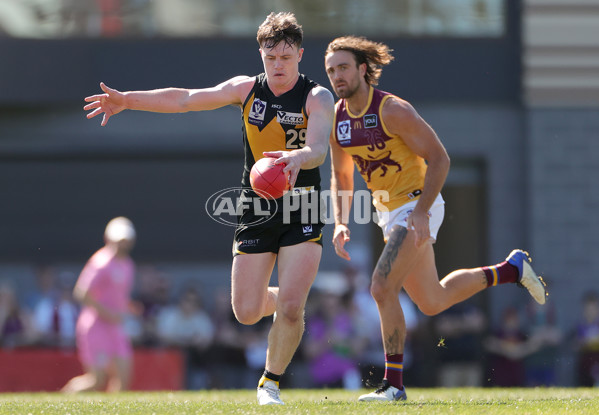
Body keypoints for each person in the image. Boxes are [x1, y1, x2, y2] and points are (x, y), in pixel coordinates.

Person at [83, 12, 334, 405]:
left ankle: (270, 383)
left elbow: (320, 148)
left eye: (286, 57)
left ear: (300, 55)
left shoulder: (317, 96)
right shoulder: (245, 89)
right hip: (257, 206)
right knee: (246, 312)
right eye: (271, 58)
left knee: (289, 308)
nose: (278, 65)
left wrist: (297, 157)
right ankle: (284, 297)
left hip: (302, 205)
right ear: (261, 55)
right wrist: (127, 101)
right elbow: (184, 99)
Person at [324, 36, 547, 402]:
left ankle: (393, 385)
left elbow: (440, 158)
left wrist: (423, 212)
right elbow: (342, 176)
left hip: (415, 206)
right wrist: (342, 221)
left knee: (380, 287)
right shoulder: (337, 118)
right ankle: (511, 269)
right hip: (388, 214)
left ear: (363, 69)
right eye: (331, 70)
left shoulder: (393, 110)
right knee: (431, 301)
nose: (337, 76)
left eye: (343, 67)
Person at [62, 216, 137, 393]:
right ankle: (62, 401)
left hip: (115, 327)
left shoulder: (127, 265)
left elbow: (118, 296)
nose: (123, 244)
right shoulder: (101, 262)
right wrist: (108, 313)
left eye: (126, 240)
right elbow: (81, 292)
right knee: (96, 380)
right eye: (120, 240)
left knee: (123, 377)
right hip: (96, 327)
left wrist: (129, 307)